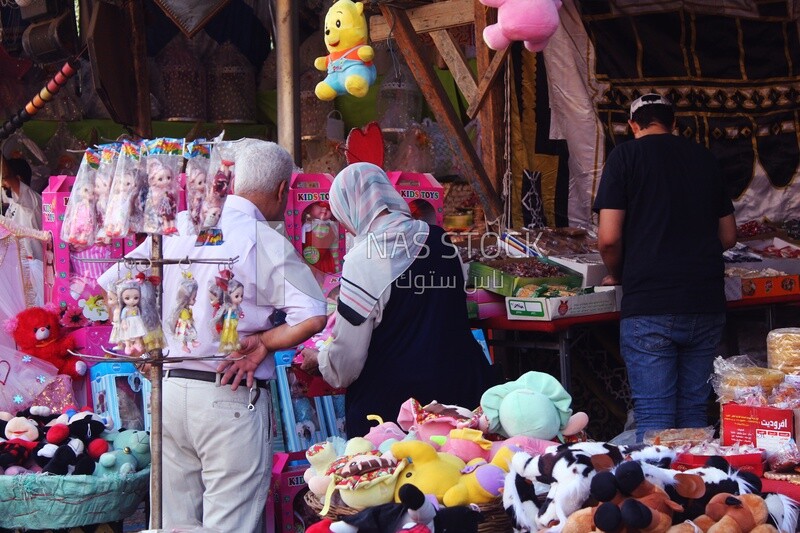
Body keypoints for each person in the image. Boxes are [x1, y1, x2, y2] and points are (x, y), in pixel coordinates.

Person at [98, 140, 327, 533]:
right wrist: (265, 344)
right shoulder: (263, 239)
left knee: (172, 523)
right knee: (229, 524)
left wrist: (140, 339)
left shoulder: (181, 225)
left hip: (167, 394)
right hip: (227, 397)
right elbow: (313, 315)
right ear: (281, 191)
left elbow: (115, 283)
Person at [301, 163, 494, 438]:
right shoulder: (443, 242)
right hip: (459, 402)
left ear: (348, 208)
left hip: (395, 416)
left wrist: (321, 360)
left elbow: (347, 362)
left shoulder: (365, 258)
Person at [592, 93, 737, 442]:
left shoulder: (625, 156)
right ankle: (698, 491)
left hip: (650, 304)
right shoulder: (704, 158)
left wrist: (624, 273)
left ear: (633, 125)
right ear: (674, 124)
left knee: (655, 422)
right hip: (704, 301)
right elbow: (729, 236)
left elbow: (608, 239)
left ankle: (659, 494)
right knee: (693, 420)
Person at [1, 156, 43, 260]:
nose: (2, 185)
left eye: (3, 181)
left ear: (18, 179)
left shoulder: (31, 200)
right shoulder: (13, 201)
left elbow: (7, 176)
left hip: (35, 266)